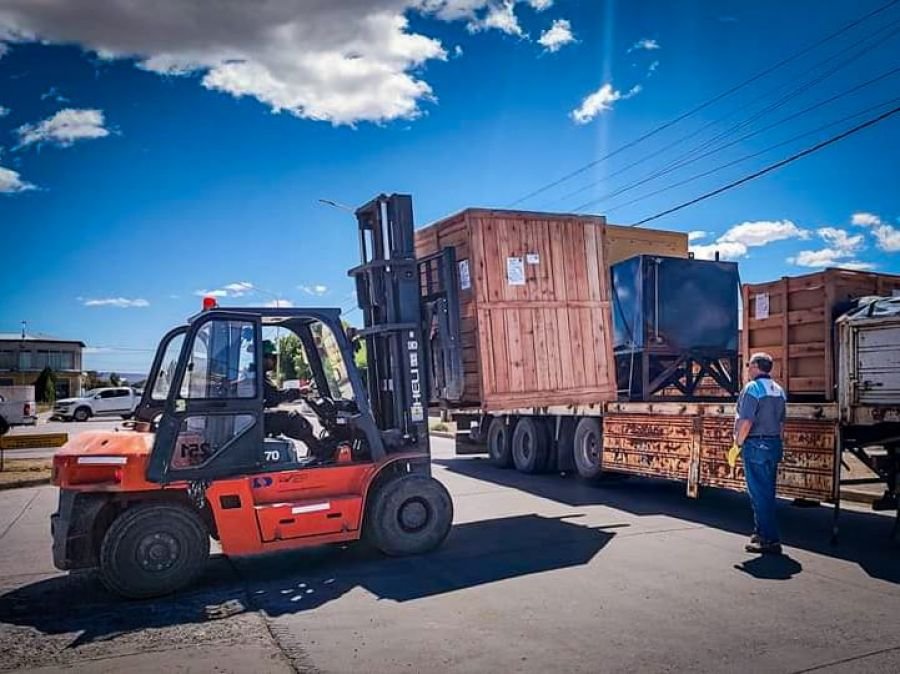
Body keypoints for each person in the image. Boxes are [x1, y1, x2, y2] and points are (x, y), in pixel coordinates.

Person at [733, 352, 787, 555]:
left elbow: (746, 421)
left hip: (756, 445)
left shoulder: (752, 388)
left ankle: (769, 539)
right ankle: (760, 532)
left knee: (758, 493)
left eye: (749, 365)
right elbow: (782, 423)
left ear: (756, 367)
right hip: (773, 444)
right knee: (767, 492)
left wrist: (738, 444)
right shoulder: (779, 391)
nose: (747, 368)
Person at [261, 340, 319, 453]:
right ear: (263, 358)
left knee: (283, 415)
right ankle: (320, 451)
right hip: (256, 419)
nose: (275, 361)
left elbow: (271, 399)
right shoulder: (258, 378)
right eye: (272, 357)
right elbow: (274, 397)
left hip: (256, 417)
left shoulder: (256, 376)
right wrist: (299, 393)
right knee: (293, 419)